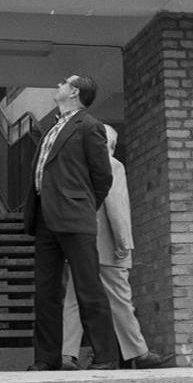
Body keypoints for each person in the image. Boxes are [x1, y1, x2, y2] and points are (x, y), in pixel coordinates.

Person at [23, 74, 119, 371]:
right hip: (45, 219)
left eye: (63, 82)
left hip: (75, 219)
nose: (58, 85)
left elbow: (103, 177)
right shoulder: (53, 126)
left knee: (88, 289)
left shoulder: (89, 127)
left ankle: (106, 358)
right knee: (46, 292)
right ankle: (46, 359)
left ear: (74, 91)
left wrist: (83, 206)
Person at [61, 124, 171, 370]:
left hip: (78, 244)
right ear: (109, 144)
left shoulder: (74, 168)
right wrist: (124, 242)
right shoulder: (112, 165)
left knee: (73, 301)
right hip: (107, 245)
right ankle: (138, 352)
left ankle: (67, 355)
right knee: (120, 299)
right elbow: (116, 207)